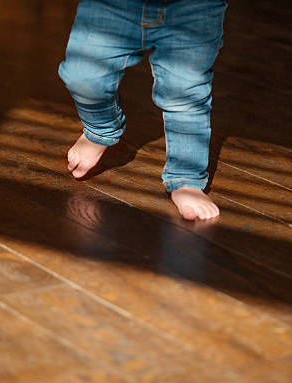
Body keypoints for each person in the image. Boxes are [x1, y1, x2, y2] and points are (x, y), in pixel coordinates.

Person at [59, 0, 227, 220]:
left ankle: (186, 179)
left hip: (191, 9)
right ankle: (100, 129)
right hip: (111, 6)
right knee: (83, 75)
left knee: (185, 93)